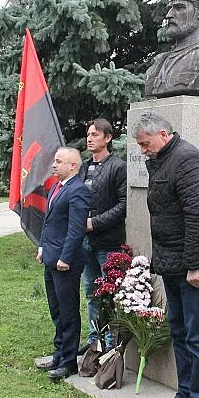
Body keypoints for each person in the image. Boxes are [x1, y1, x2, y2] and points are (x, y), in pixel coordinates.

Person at [134, 111, 199, 398]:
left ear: (162, 134)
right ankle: (185, 395)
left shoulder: (188, 159)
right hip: (172, 262)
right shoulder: (163, 159)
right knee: (180, 331)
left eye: (145, 143)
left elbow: (198, 215)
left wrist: (194, 266)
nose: (143, 150)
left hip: (192, 266)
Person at [35, 147, 92, 382]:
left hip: (65, 262)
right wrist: (42, 246)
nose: (54, 165)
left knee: (68, 312)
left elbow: (76, 229)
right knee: (56, 309)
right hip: (51, 257)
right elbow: (49, 222)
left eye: (59, 161)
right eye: (55, 161)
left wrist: (65, 258)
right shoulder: (57, 187)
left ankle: (69, 362)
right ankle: (59, 354)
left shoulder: (78, 191)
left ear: (73, 166)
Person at [79, 118, 126, 352]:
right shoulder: (83, 167)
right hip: (85, 242)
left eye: (95, 134)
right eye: (88, 134)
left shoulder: (118, 166)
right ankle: (93, 341)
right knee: (91, 292)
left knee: (109, 294)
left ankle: (109, 344)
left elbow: (124, 205)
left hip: (108, 242)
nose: (89, 139)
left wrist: (94, 223)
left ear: (108, 138)